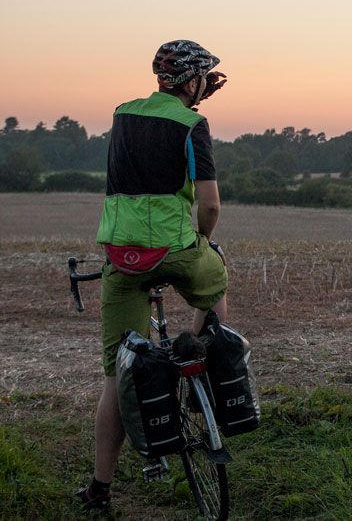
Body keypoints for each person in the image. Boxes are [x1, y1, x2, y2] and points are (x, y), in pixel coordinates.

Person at [77, 40, 230, 511]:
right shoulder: (192, 123)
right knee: (217, 279)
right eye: (204, 76)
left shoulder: (123, 114)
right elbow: (209, 204)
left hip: (121, 257)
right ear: (191, 82)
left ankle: (100, 488)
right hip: (172, 248)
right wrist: (202, 240)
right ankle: (201, 355)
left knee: (117, 378)